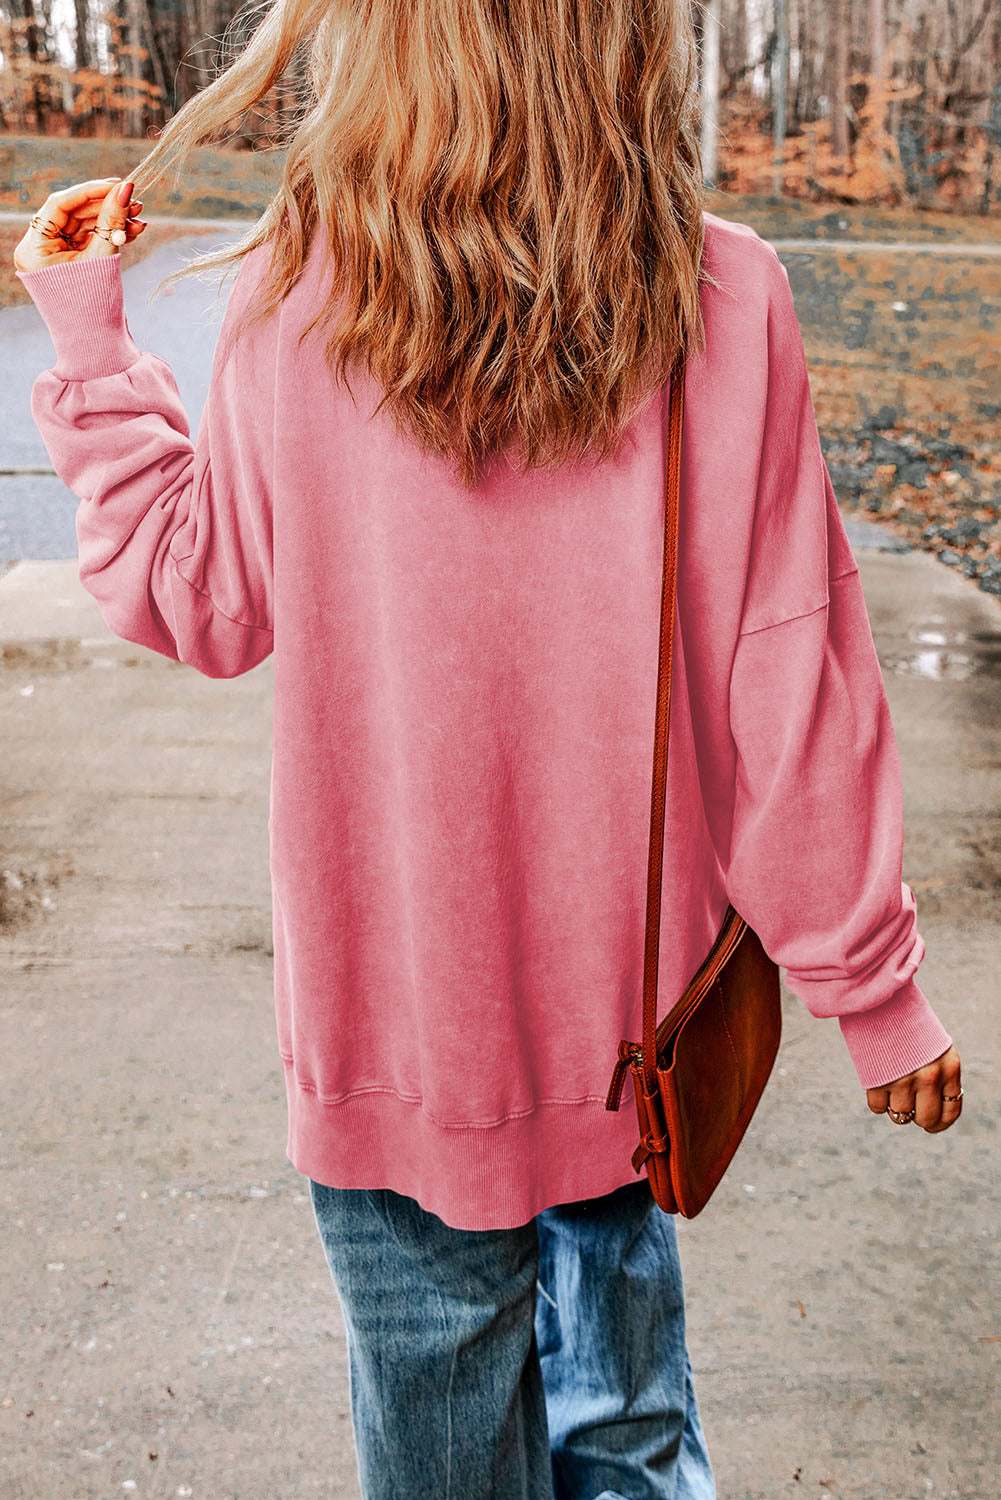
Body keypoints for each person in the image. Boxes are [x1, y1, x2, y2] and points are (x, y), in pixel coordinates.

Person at [13, 2, 962, 1495]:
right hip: (630, 1031)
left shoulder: (296, 297)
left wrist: (90, 339)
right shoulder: (719, 296)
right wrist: (871, 989)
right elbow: (789, 673)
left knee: (443, 1453)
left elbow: (193, 595)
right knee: (631, 1434)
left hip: (397, 1035)